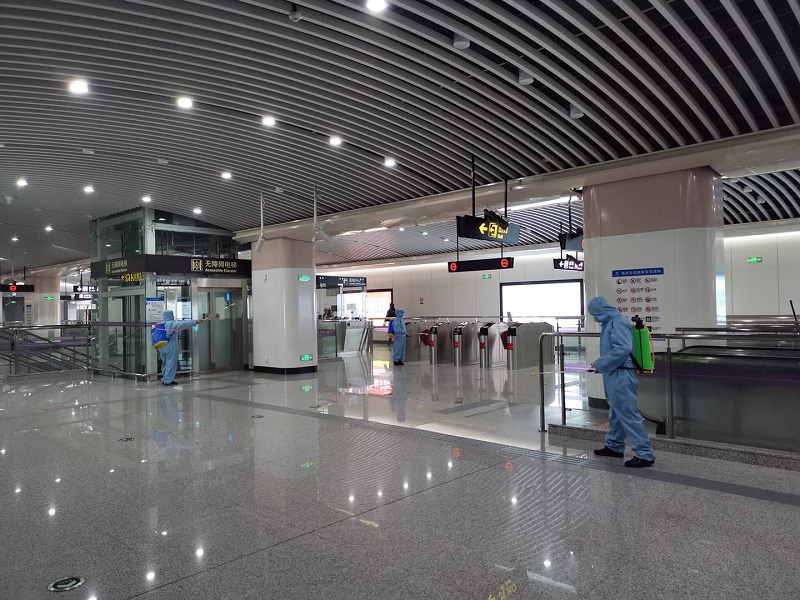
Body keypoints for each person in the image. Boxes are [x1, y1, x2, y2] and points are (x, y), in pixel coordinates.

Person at [587, 296, 656, 468]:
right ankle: (614, 446)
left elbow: (623, 348)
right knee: (616, 411)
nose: (594, 318)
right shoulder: (609, 323)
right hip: (613, 372)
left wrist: (600, 364)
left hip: (621, 373)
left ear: (599, 311)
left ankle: (645, 454)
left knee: (626, 412)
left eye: (594, 314)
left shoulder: (617, 322)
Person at [154, 310, 211, 386]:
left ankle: (165, 379)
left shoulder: (160, 324)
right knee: (171, 363)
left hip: (161, 347)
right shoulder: (171, 324)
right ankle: (168, 381)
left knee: (164, 363)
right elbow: (183, 324)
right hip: (170, 347)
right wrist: (196, 321)